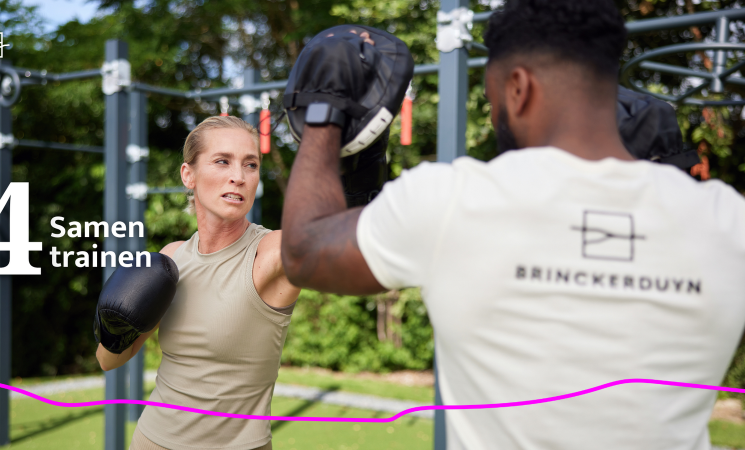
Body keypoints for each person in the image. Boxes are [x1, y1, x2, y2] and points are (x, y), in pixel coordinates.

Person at [279, 1, 745, 449]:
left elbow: (303, 250)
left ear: (518, 88)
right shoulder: (728, 221)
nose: (496, 110)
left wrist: (327, 109)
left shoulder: (453, 200)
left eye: (493, 96)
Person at [95, 115, 300, 450]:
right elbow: (108, 361)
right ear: (188, 175)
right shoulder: (170, 260)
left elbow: (330, 239)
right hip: (151, 439)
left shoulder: (269, 254)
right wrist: (114, 327)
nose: (239, 177)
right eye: (222, 161)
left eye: (251, 165)